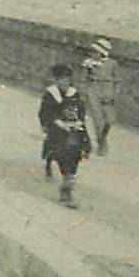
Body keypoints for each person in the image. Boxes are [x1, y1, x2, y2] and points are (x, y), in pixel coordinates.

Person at [38, 63, 92, 207]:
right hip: (57, 128)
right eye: (61, 79)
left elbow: (81, 112)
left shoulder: (74, 94)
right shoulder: (50, 94)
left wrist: (78, 122)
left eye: (67, 79)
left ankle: (67, 184)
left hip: (73, 129)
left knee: (74, 154)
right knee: (62, 153)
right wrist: (56, 123)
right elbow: (45, 113)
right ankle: (67, 185)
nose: (64, 83)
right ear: (56, 80)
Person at [81, 38, 120, 156]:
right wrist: (86, 92)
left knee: (109, 120)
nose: (92, 54)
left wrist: (115, 94)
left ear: (101, 52)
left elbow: (117, 81)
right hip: (94, 90)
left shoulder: (112, 64)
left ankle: (102, 138)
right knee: (98, 121)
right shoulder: (88, 64)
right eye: (92, 52)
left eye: (95, 52)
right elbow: (83, 79)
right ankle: (102, 143)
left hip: (108, 91)